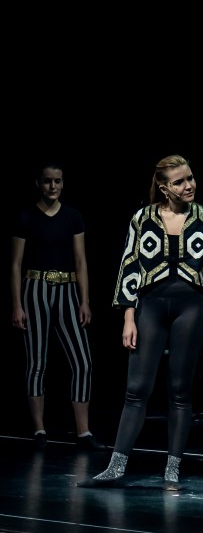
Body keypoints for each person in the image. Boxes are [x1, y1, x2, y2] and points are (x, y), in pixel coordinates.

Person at [79, 154, 203, 490]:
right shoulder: (142, 218)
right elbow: (129, 265)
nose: (188, 185)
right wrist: (128, 316)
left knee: (179, 390)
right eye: (179, 182)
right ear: (164, 188)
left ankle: (172, 470)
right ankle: (115, 467)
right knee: (136, 389)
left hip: (191, 308)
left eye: (190, 178)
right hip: (150, 306)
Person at [10, 161, 106, 451]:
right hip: (35, 288)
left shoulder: (73, 216)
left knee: (83, 361)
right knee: (37, 361)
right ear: (38, 183)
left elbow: (81, 261)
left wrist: (85, 301)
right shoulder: (26, 216)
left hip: (67, 289)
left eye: (58, 181)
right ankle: (39, 429)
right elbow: (15, 264)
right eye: (48, 181)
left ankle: (83, 431)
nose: (53, 186)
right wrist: (17, 305)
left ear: (63, 183)